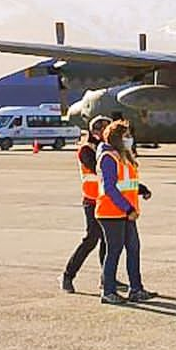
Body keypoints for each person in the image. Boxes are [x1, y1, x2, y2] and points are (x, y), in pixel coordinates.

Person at [95, 119, 157, 305]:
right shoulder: (108, 158)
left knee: (133, 248)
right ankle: (108, 291)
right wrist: (127, 208)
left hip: (126, 213)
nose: (129, 139)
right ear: (116, 138)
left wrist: (141, 189)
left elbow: (128, 182)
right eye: (126, 136)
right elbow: (110, 188)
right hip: (111, 213)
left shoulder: (124, 156)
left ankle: (136, 288)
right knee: (114, 251)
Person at [60, 115, 113, 293]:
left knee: (108, 240)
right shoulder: (87, 149)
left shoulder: (105, 148)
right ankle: (68, 275)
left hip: (106, 199)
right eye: (106, 130)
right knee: (92, 239)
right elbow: (98, 170)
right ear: (96, 132)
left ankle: (107, 278)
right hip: (92, 200)